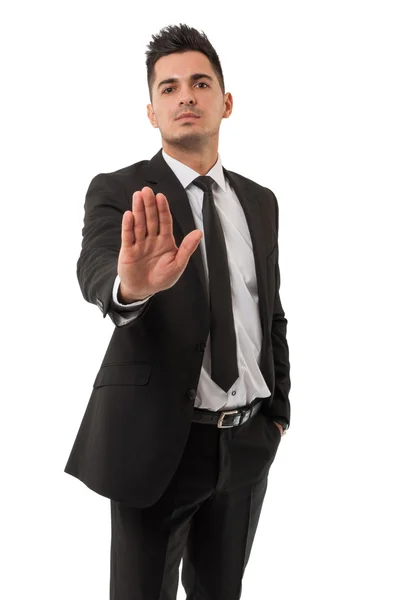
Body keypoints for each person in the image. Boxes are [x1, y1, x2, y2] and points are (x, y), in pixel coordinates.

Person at [64, 22, 291, 600]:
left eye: (199, 83)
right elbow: (95, 268)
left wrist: (277, 413)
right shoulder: (121, 190)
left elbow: (271, 312)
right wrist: (129, 287)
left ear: (226, 101)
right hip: (158, 445)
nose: (185, 96)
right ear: (151, 111)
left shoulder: (260, 202)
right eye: (168, 88)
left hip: (245, 444)